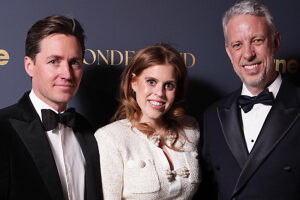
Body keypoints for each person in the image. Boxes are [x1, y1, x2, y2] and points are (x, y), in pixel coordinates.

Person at [200, 0, 300, 199]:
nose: (248, 54)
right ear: (229, 52)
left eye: (257, 41)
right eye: (238, 45)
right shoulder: (212, 116)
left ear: (276, 42)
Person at [0, 15, 102, 200]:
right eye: (54, 61)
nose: (67, 73)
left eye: (74, 62)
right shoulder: (3, 128)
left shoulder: (89, 131)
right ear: (30, 66)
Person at [95, 44, 200, 199]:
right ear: (133, 82)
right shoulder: (110, 138)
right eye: (151, 82)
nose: (159, 93)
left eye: (168, 85)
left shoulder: (190, 129)